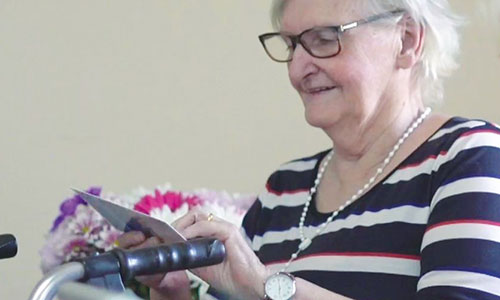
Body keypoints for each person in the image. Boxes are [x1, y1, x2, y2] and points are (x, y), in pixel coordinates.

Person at [118, 0, 500, 299]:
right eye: (292, 44)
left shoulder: (470, 157)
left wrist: (268, 287)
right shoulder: (285, 188)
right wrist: (171, 289)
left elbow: (260, 288)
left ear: (406, 40)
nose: (298, 67)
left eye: (324, 39)